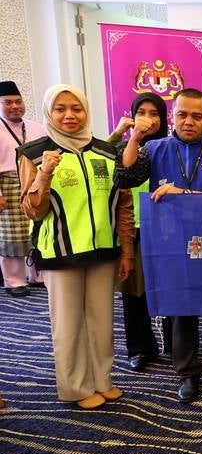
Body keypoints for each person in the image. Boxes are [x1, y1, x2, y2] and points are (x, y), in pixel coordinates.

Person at [114, 88, 202, 404]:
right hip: (172, 244)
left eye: (197, 116)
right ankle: (187, 373)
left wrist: (184, 197)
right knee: (182, 311)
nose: (189, 122)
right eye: (182, 115)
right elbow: (125, 176)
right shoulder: (153, 149)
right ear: (172, 116)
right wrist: (133, 138)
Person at [18, 84, 135, 409]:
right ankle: (75, 387)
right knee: (68, 324)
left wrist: (126, 250)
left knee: (102, 322)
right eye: (60, 109)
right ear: (49, 113)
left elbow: (123, 205)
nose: (69, 115)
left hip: (103, 251)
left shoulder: (106, 152)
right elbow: (31, 209)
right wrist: (44, 175)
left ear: (86, 110)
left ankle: (102, 380)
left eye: (76, 108)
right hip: (60, 253)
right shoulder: (34, 153)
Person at [107, 93, 169, 371]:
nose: (148, 119)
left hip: (168, 228)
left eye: (154, 113)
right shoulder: (124, 148)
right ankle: (140, 347)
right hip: (135, 227)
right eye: (142, 112)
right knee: (134, 292)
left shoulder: (171, 146)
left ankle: (174, 342)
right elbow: (101, 158)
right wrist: (125, 134)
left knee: (170, 288)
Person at [0, 81, 45, 297]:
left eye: (18, 101)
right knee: (12, 235)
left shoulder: (36, 127)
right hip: (7, 186)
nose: (15, 106)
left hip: (36, 182)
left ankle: (36, 276)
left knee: (37, 230)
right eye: (8, 102)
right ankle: (14, 281)